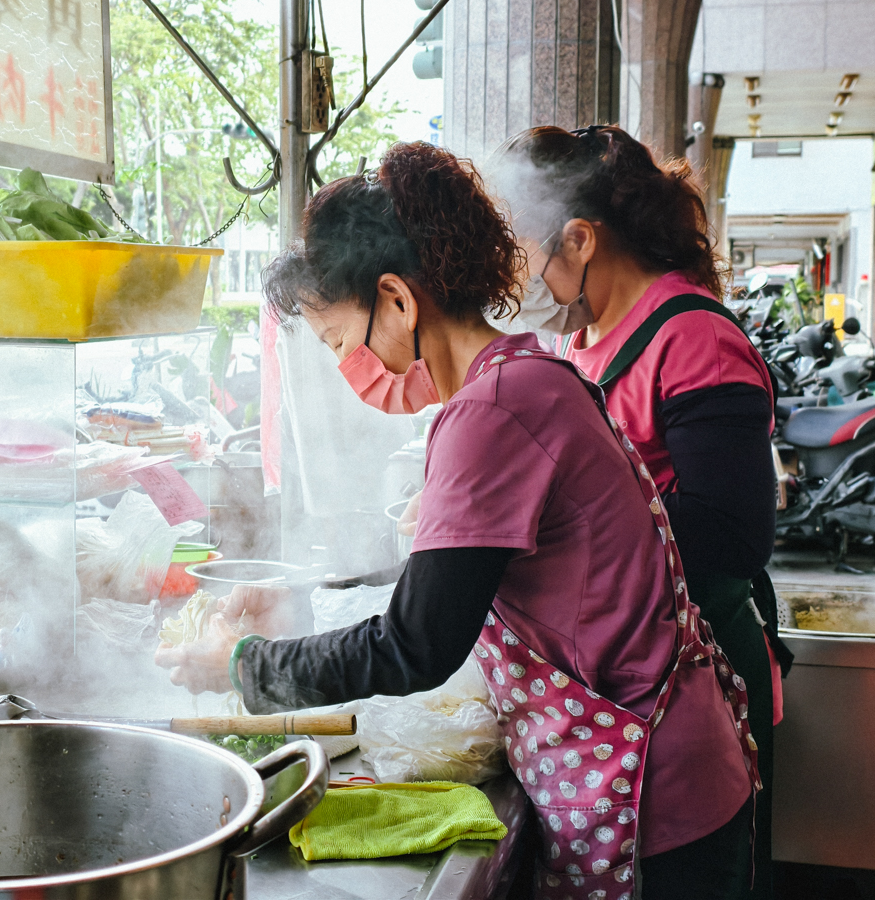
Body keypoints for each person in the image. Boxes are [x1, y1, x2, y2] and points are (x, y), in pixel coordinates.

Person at [157, 142, 760, 899]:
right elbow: (453, 570)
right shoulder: (524, 377)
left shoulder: (495, 410)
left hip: (651, 792)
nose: (349, 365)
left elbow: (417, 642)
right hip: (653, 763)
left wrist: (246, 666)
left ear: (398, 300)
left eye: (340, 339)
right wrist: (295, 600)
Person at [496, 124, 788, 900]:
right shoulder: (580, 344)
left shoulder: (694, 339)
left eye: (521, 249)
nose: (514, 276)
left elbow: (733, 534)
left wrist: (543, 530)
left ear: (580, 238)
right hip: (622, 680)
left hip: (700, 678)